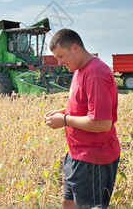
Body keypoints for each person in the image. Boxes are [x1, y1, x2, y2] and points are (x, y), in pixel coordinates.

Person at [44, 29, 120, 209]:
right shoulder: (79, 69)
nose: (60, 62)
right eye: (56, 58)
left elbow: (101, 123)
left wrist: (64, 120)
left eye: (61, 56)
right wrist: (62, 112)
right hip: (77, 154)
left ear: (75, 47)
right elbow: (85, 107)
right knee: (68, 203)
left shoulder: (95, 73)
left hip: (94, 160)